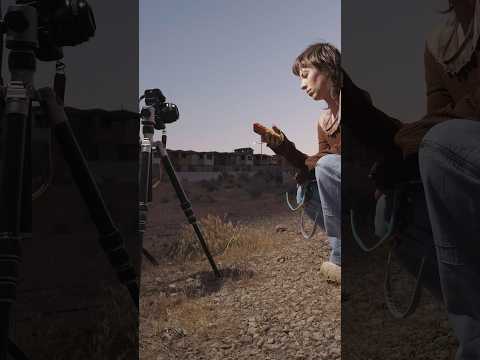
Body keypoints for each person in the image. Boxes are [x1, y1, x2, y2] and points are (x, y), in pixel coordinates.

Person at [373, 0, 480, 357]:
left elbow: (445, 128)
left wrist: (415, 139)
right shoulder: (439, 44)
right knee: (390, 211)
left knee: (441, 143)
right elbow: (439, 117)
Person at [254, 42, 341, 283]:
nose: (302, 85)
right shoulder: (324, 121)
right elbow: (317, 163)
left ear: (327, 69)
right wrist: (283, 146)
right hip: (342, 183)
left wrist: (315, 162)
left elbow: (329, 162)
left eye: (305, 75)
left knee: (327, 167)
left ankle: (341, 257)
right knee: (308, 191)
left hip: (365, 183)